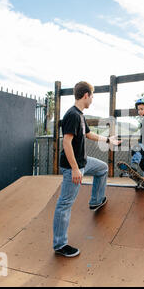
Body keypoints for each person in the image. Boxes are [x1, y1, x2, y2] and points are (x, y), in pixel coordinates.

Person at [53, 81, 121, 258]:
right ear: (86, 96)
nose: (92, 100)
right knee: (64, 204)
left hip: (83, 162)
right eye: (92, 96)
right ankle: (60, 245)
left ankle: (96, 200)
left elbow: (88, 134)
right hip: (72, 166)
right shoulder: (73, 115)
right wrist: (75, 169)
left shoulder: (80, 116)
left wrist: (108, 140)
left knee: (102, 168)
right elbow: (66, 142)